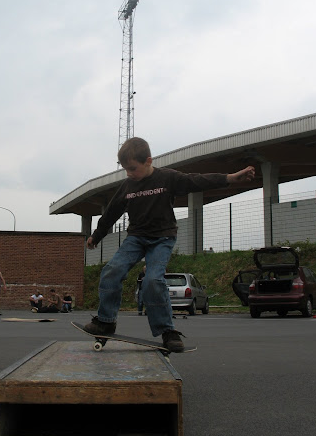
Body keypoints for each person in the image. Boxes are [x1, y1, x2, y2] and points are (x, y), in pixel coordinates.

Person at [84, 137, 255, 352]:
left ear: (148, 161)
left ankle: (168, 331)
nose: (129, 174)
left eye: (133, 169)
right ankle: (106, 321)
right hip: (136, 238)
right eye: (125, 170)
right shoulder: (127, 186)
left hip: (162, 239)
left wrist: (230, 178)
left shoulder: (167, 178)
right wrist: (96, 236)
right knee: (111, 270)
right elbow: (111, 212)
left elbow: (197, 181)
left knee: (153, 281)